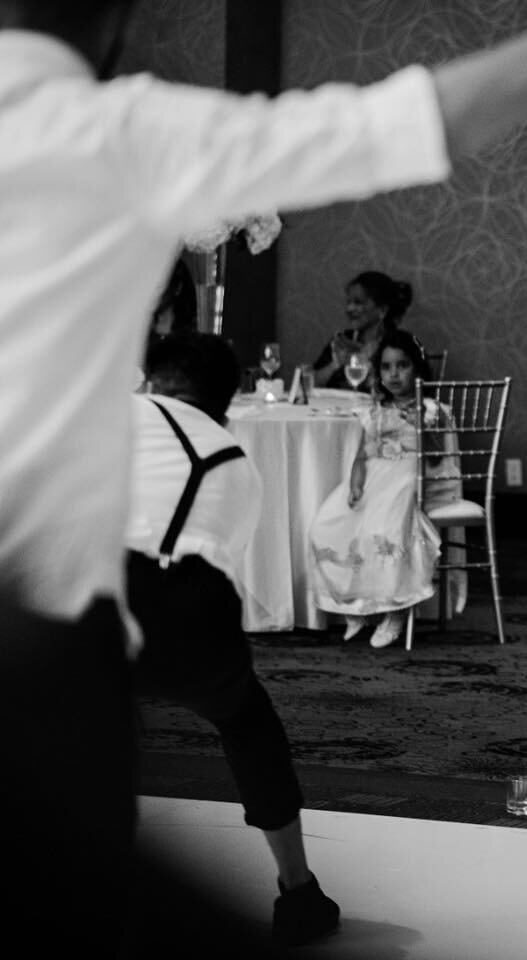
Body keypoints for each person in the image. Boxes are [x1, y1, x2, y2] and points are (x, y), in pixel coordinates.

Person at [0, 0, 527, 946]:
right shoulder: (119, 129)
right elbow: (416, 120)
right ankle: (295, 886)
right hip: (47, 635)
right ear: (115, 22)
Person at [128, 331, 340, 946]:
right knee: (249, 724)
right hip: (188, 606)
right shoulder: (235, 465)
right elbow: (222, 555)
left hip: (82, 592)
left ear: (151, 380)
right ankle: (298, 891)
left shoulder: (104, 415)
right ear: (225, 407)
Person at [309, 329, 460, 649]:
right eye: (387, 367)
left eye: (402, 366)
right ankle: (358, 603)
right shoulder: (376, 412)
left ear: (417, 369)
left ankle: (396, 608)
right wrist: (355, 483)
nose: (394, 374)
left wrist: (421, 422)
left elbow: (436, 458)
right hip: (377, 475)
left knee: (385, 526)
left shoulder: (432, 410)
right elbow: (363, 455)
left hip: (411, 475)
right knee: (330, 520)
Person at [312, 270, 413, 390]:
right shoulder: (342, 341)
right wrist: (336, 364)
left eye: (358, 302)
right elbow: (309, 385)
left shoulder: (400, 343)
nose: (349, 308)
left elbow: (405, 391)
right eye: (349, 302)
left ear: (382, 310)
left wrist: (367, 360)